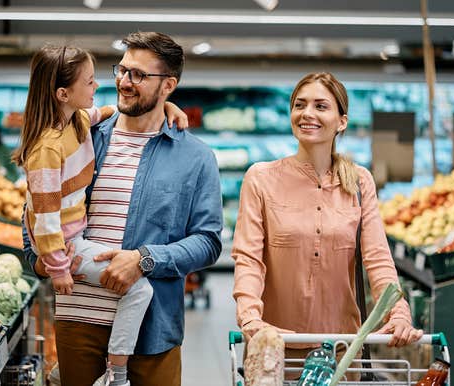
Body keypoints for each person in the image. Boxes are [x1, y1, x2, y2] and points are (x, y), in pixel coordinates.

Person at [22, 32, 223, 386]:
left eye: (139, 76)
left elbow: (208, 242)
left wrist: (144, 259)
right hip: (78, 319)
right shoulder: (84, 133)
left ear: (168, 85)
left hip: (151, 327)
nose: (124, 82)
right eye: (123, 70)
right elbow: (37, 207)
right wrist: (41, 262)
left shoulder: (195, 158)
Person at [232, 72, 423, 380]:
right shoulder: (261, 178)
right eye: (299, 105)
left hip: (342, 350)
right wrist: (250, 318)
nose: (307, 113)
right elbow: (248, 259)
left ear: (341, 121)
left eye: (321, 106)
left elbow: (377, 259)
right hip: (275, 346)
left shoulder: (359, 182)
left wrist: (398, 313)